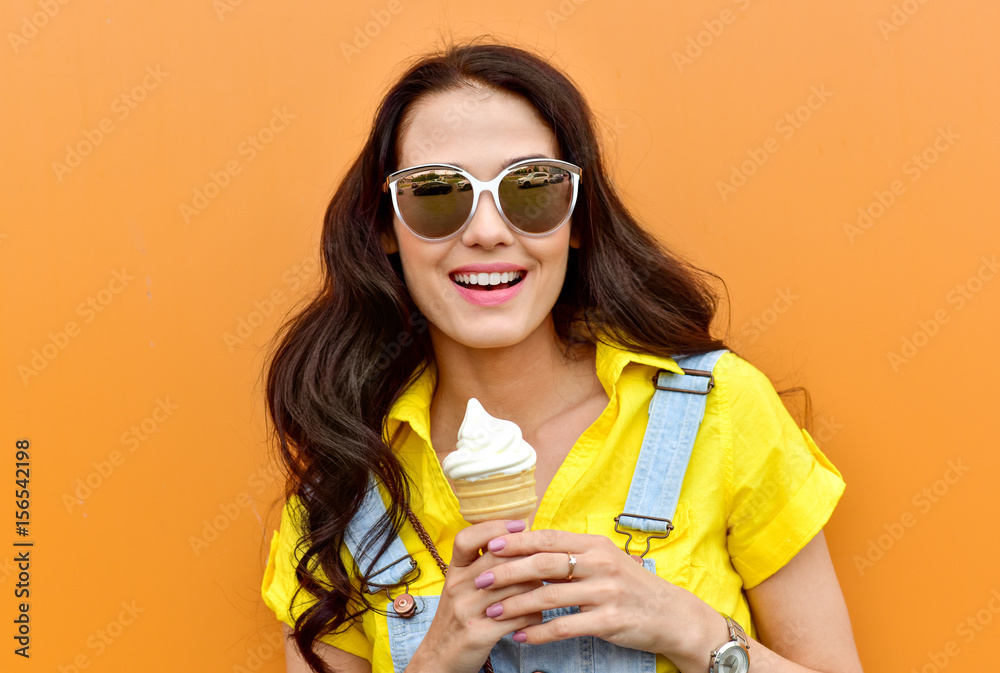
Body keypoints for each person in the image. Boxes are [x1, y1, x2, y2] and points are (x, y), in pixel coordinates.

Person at [260, 39, 864, 673]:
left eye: (531, 188)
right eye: (436, 193)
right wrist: (437, 658)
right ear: (385, 226)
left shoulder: (720, 411)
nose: (488, 230)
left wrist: (690, 629)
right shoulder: (346, 485)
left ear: (577, 220)